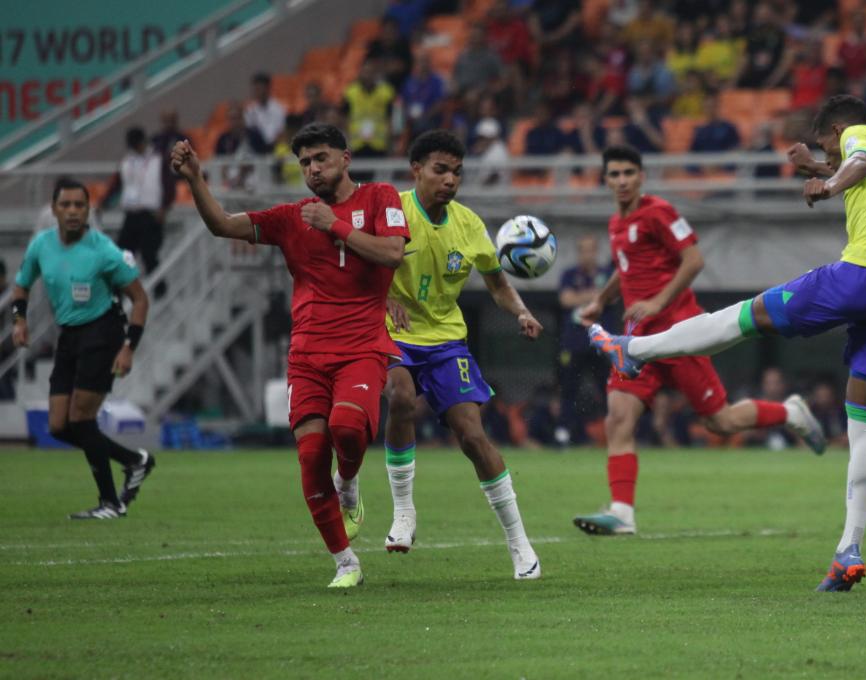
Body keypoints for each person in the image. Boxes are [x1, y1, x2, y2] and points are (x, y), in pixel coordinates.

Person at [587, 95, 866, 592]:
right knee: (865, 427)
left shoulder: (860, 135)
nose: (827, 151)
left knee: (744, 316)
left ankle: (632, 350)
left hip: (862, 275)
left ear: (836, 127)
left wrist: (828, 181)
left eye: (824, 142)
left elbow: (855, 159)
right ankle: (847, 550)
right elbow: (860, 164)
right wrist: (815, 164)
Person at [171, 123, 409, 588]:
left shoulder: (380, 197)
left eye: (320, 158)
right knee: (311, 454)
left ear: (346, 157)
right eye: (304, 162)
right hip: (307, 355)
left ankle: (349, 484)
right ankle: (345, 562)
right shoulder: (291, 217)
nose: (313, 169)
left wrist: (334, 224)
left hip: (361, 347)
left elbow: (393, 254)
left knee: (346, 428)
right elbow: (223, 225)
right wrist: (196, 178)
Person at [572, 144, 825, 537]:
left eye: (628, 173)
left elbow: (694, 260)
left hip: (679, 335)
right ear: (604, 180)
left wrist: (657, 301)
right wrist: (599, 302)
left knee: (720, 422)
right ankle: (623, 513)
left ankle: (790, 414)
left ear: (642, 176)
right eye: (614, 174)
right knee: (618, 418)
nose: (621, 181)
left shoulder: (659, 212)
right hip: (636, 341)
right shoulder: (616, 224)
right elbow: (625, 272)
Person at [381, 130, 543, 581]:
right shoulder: (390, 210)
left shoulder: (469, 224)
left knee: (472, 436)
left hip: (447, 340)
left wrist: (522, 312)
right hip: (396, 334)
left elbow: (497, 285)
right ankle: (404, 511)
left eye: (456, 172)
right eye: (440, 170)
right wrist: (378, 300)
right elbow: (357, 262)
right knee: (399, 397)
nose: (450, 180)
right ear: (416, 170)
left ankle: (520, 545)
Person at [13, 179, 154, 519]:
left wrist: (128, 347)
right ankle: (135, 461)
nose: (74, 212)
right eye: (67, 205)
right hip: (69, 336)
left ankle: (111, 502)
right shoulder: (41, 245)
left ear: (89, 210)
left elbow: (140, 299)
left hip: (102, 333)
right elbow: (20, 286)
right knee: (59, 426)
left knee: (81, 418)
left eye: (80, 205)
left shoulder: (103, 251)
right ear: (54, 209)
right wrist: (19, 321)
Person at [557, 234, 613, 441]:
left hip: (600, 343)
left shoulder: (607, 274)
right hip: (574, 342)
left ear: (596, 251)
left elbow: (611, 296)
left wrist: (581, 296)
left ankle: (614, 432)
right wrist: (594, 295)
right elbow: (565, 299)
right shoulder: (569, 274)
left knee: (608, 388)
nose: (587, 254)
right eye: (583, 250)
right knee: (569, 387)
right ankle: (563, 432)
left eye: (591, 249)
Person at [111, 127, 165, 290]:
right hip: (132, 214)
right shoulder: (127, 161)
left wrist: (164, 207)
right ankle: (120, 290)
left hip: (150, 214)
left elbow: (168, 185)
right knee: (123, 255)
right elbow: (117, 183)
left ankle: (159, 290)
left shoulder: (157, 159)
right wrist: (102, 202)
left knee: (149, 254)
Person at [244, 72, 287, 145]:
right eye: (255, 89)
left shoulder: (279, 109)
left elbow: (281, 132)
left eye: (259, 88)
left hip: (275, 147)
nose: (256, 92)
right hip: (257, 149)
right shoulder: (250, 111)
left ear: (267, 88)